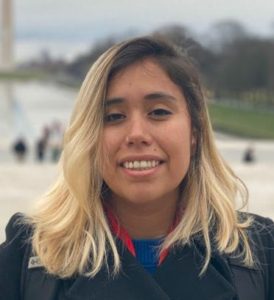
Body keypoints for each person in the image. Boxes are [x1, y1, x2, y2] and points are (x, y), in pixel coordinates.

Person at [0, 36, 273, 300]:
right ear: (89, 136)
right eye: (114, 116)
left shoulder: (263, 254)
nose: (137, 134)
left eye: (159, 112)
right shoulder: (24, 260)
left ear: (195, 130)